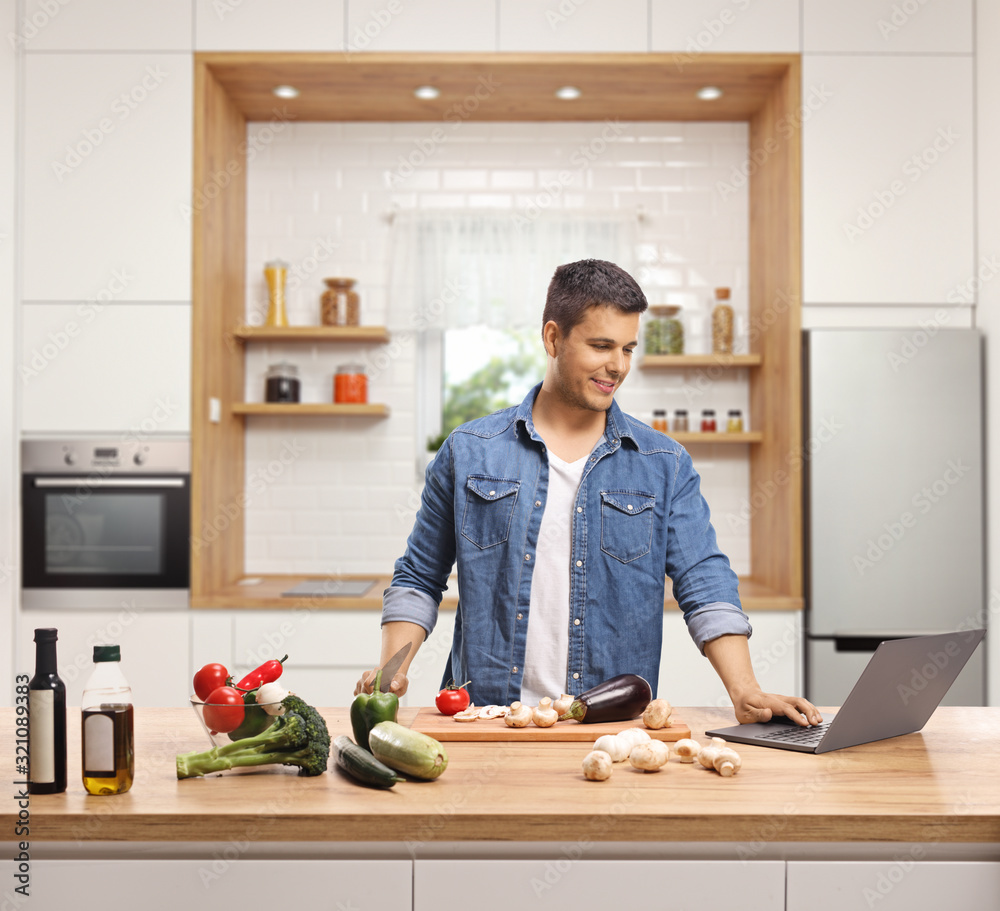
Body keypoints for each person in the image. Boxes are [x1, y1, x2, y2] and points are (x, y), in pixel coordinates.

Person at [356, 259, 821, 726]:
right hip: (489, 721)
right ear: (553, 338)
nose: (617, 366)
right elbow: (418, 577)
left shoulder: (663, 463)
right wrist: (392, 669)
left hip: (609, 730)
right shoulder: (469, 452)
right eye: (601, 346)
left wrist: (745, 690)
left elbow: (705, 583)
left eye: (627, 348)